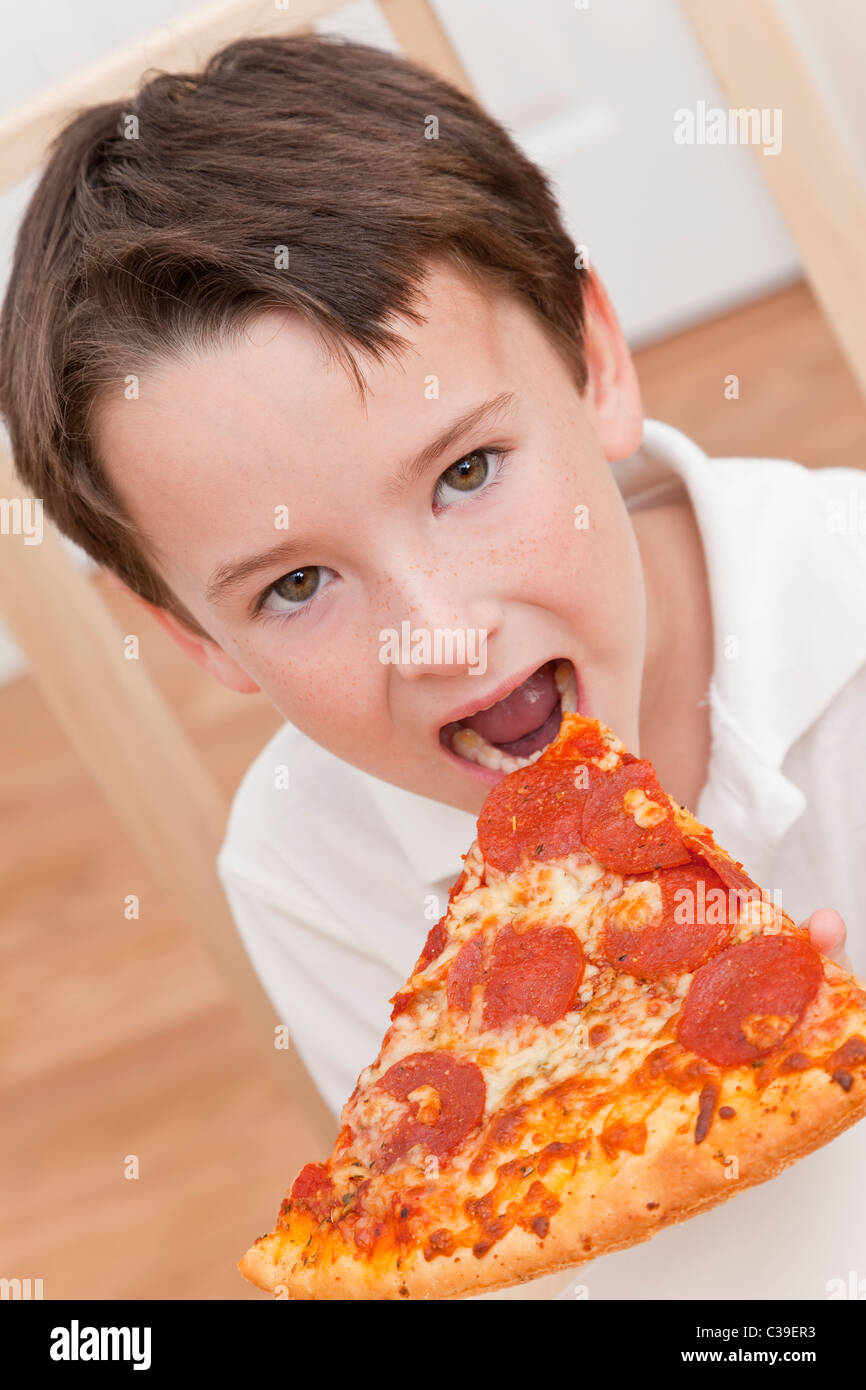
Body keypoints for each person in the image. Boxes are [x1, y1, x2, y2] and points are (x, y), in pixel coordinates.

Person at [1, 33, 863, 1300]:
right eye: (294, 584)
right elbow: (498, 1264)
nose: (439, 633)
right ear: (195, 636)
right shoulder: (308, 861)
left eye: (466, 473)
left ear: (594, 360)